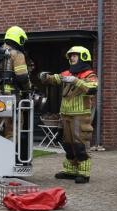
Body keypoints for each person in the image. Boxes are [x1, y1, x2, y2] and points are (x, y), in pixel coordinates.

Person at [39, 46, 98, 183]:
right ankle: (70, 170)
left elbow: (92, 88)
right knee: (67, 144)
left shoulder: (90, 74)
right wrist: (44, 77)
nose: (72, 58)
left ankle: (84, 172)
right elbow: (55, 79)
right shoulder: (68, 73)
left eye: (75, 55)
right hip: (65, 114)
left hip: (80, 115)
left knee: (80, 144)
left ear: (83, 57)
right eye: (71, 56)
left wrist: (75, 81)